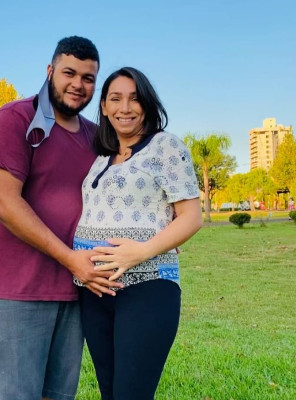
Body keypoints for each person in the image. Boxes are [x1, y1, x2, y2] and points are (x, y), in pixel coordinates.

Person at [0, 36, 122, 400]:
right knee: (11, 394)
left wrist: (155, 235)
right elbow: (2, 202)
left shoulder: (95, 137)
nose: (78, 84)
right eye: (69, 73)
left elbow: (117, 196)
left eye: (88, 78)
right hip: (18, 290)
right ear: (50, 71)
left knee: (58, 395)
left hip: (75, 291)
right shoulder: (15, 120)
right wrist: (70, 259)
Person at [73, 67, 203, 400]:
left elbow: (191, 218)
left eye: (134, 98)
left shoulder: (166, 147)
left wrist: (142, 251)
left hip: (147, 287)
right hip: (94, 291)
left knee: (132, 393)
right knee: (110, 392)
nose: (125, 108)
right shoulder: (101, 156)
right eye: (115, 99)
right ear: (104, 107)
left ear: (147, 103)